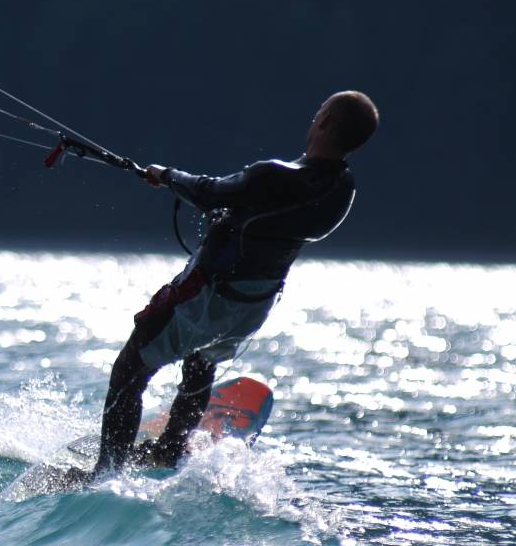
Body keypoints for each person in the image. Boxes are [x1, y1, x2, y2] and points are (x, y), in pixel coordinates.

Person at [93, 90, 379, 474]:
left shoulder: (273, 175)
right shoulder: (342, 189)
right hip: (252, 306)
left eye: (320, 111)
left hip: (210, 297)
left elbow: (209, 193)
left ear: (325, 120)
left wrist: (166, 175)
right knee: (201, 360)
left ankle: (106, 472)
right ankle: (171, 447)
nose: (315, 116)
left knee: (130, 369)